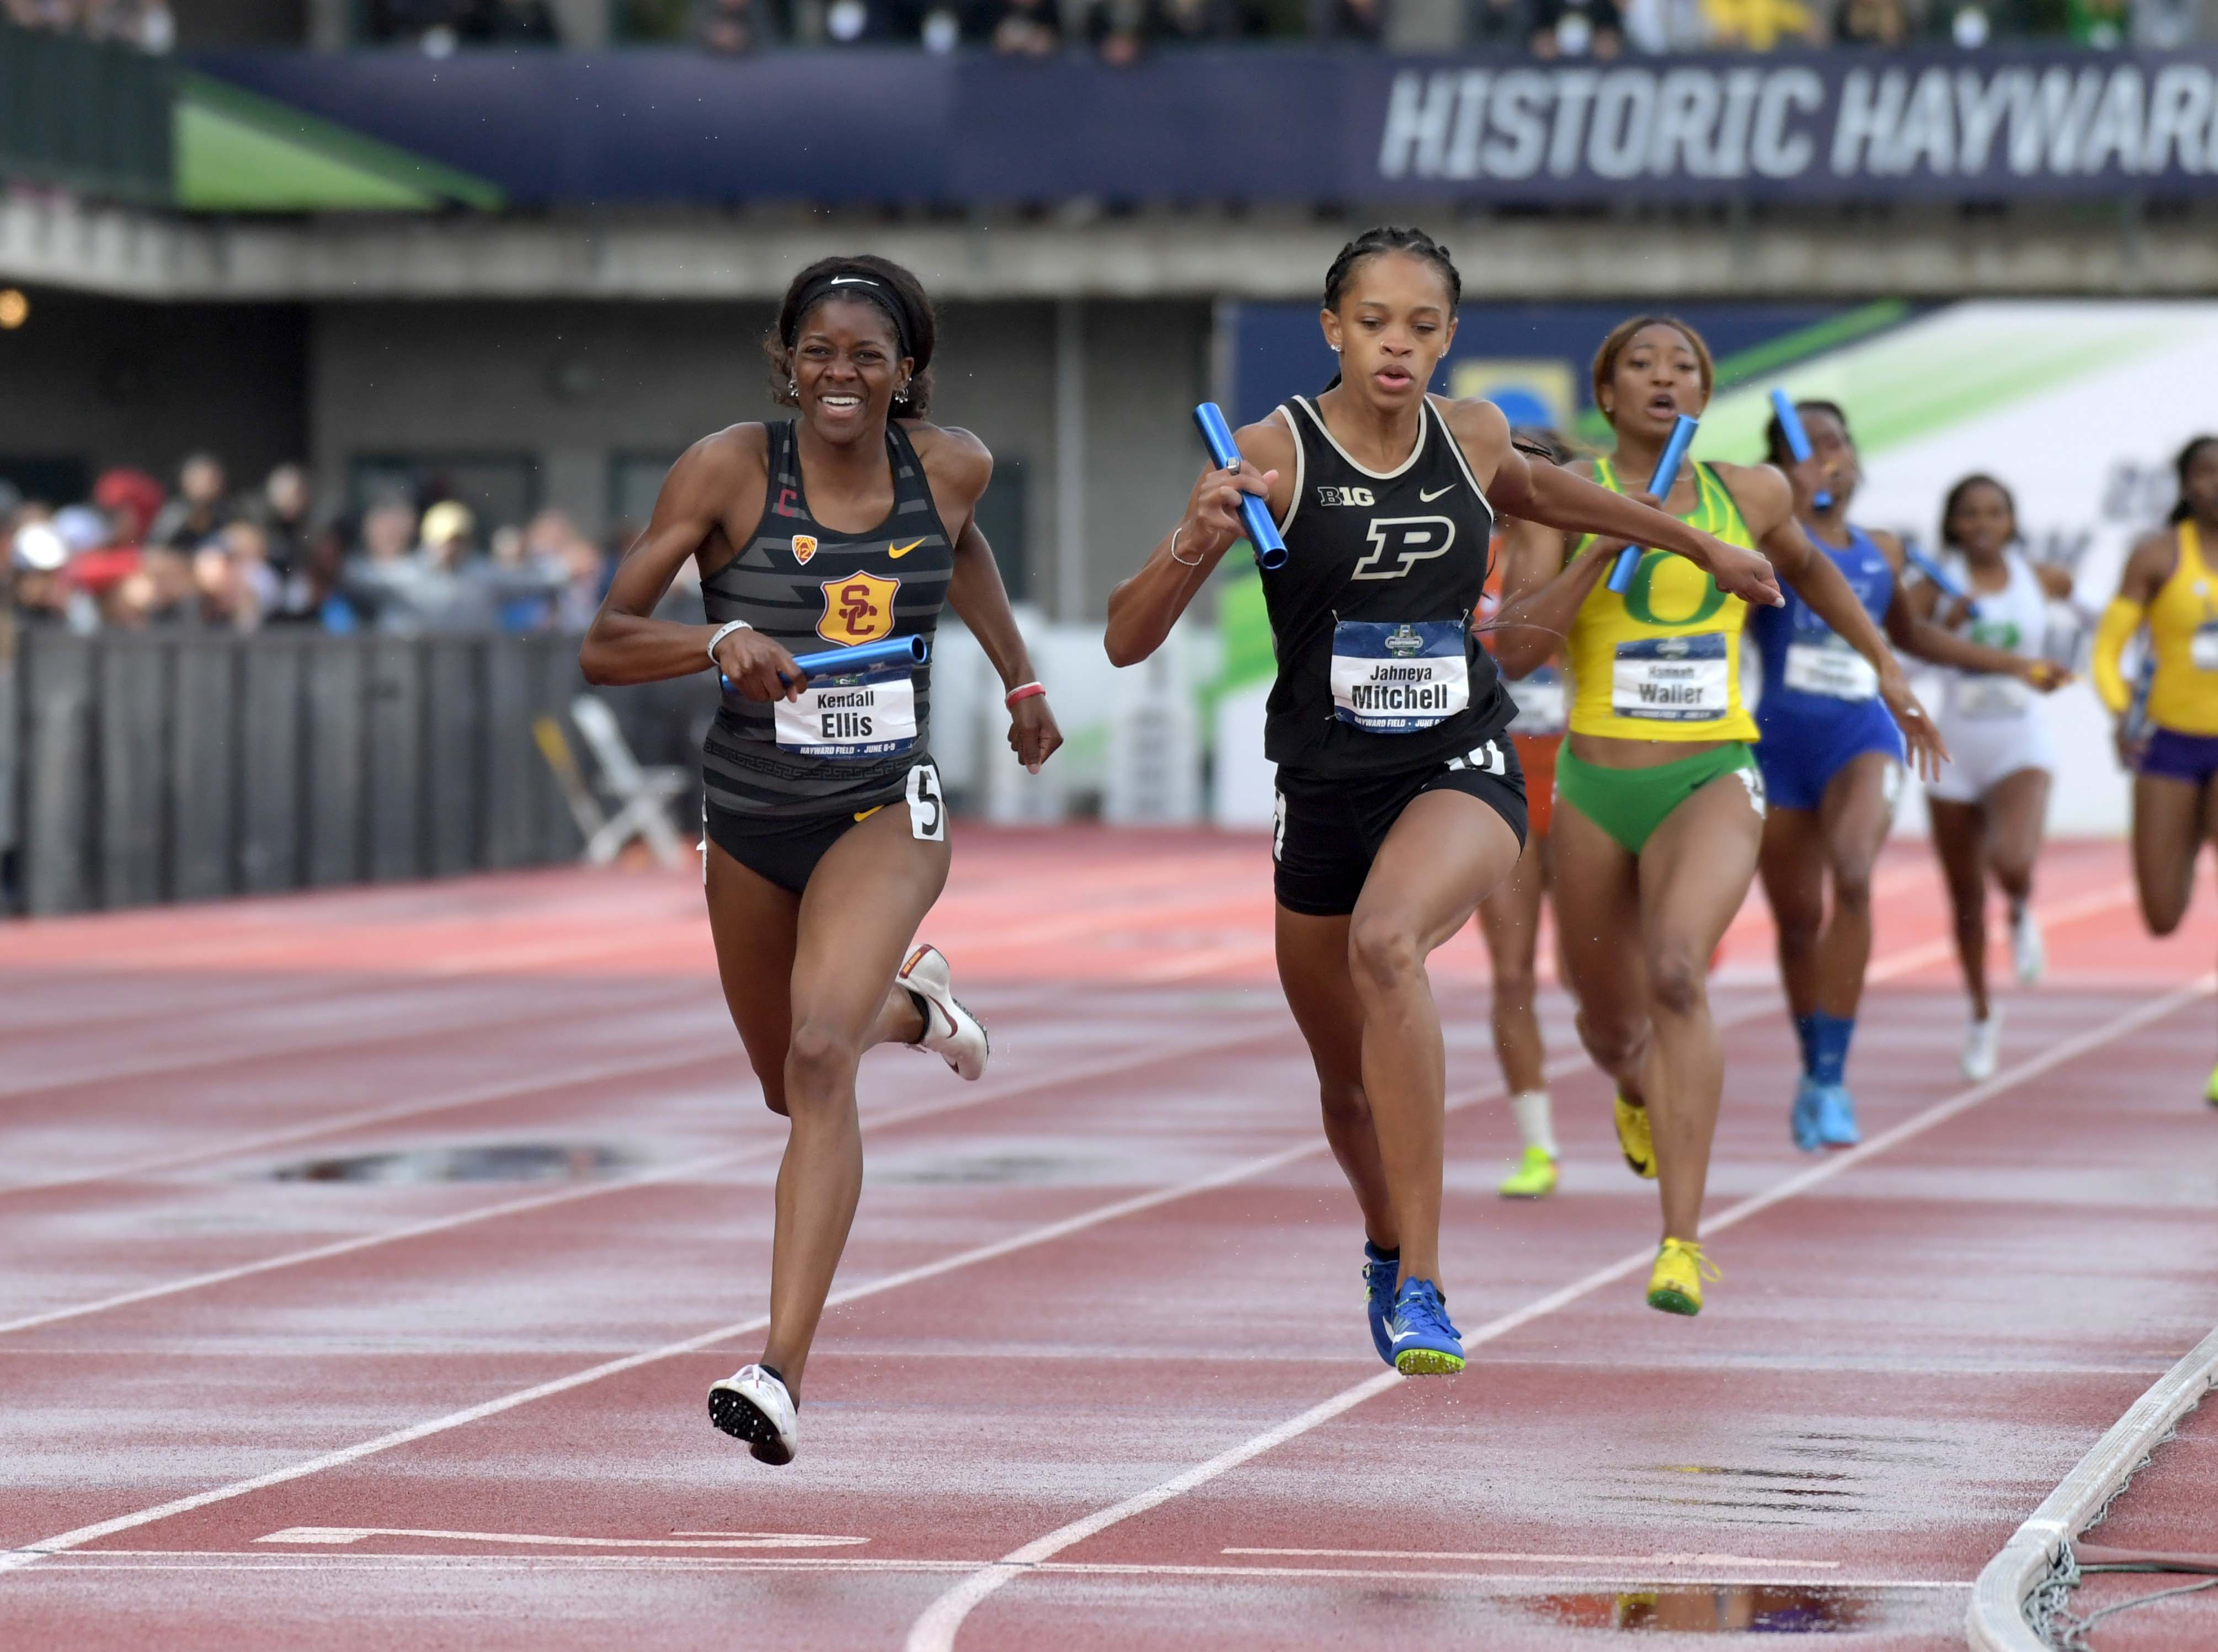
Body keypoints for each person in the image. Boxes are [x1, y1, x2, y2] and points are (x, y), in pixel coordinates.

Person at [1105, 230, 1783, 1377]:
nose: (1398, 346)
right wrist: (1193, 537)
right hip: (1322, 783)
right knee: (1344, 1086)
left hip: (1460, 762)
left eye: (1423, 327)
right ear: (1333, 328)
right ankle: (1383, 1242)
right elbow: (1127, 640)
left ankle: (1425, 1282)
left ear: (1450, 337)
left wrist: (1697, 546)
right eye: (1375, 323)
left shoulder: (1468, 436)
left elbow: (1570, 496)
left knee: (1389, 948)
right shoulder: (1274, 449)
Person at [580, 255, 1060, 1466]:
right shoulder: (730, 469)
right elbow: (604, 642)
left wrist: (1021, 675)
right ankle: (920, 1006)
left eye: (867, 356)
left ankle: (778, 1367)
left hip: (884, 806)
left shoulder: (950, 464)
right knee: (788, 1085)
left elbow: (959, 552)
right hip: (751, 810)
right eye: (819, 352)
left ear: (907, 374)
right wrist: (719, 638)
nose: (840, 374)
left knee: (816, 1052)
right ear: (784, 358)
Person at [1492, 316, 1944, 1318]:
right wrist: (1605, 540)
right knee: (1608, 1022)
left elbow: (1819, 569)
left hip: (1713, 772)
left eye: (1684, 366)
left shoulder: (1751, 492)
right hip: (1598, 782)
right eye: (1641, 366)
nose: (1665, 377)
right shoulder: (1559, 500)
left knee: (1678, 972)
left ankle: (1683, 1242)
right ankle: (1631, 1078)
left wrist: (1892, 670)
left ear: (1705, 391)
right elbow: (1518, 650)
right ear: (1606, 395)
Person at [1750, 403, 2068, 1150]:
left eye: (1840, 442)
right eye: (1814, 445)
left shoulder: (1882, 549)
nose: (1832, 456)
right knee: (1797, 921)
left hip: (1861, 737)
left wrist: (2018, 664)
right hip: (1778, 745)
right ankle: (1811, 1065)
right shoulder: (1763, 544)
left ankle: (1832, 1076)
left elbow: (1915, 634)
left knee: (1854, 875)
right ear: (1783, 467)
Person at [1907, 475, 2074, 1081]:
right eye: (1970, 514)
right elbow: (1901, 655)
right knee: (1966, 900)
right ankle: (1981, 1015)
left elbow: (2097, 617)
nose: (1982, 523)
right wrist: (1941, 631)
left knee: (2012, 859)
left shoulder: (2041, 579)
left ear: (2011, 521)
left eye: (1994, 513)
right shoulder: (1931, 590)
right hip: (1956, 753)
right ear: (1951, 524)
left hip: (2019, 746)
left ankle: (2025, 907)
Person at [2092, 434, 2218, 1102]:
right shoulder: (2159, 555)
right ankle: (2193, 834)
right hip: (2169, 744)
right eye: (2206, 473)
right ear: (2186, 484)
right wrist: (2122, 714)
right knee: (2162, 914)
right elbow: (2109, 652)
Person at [1475, 429, 1577, 1199]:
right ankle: (1537, 1144)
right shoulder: (1466, 558)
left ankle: (1636, 1080)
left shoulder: (1597, 562)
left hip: (1583, 781)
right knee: (1512, 973)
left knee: (1589, 972)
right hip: (1498, 783)